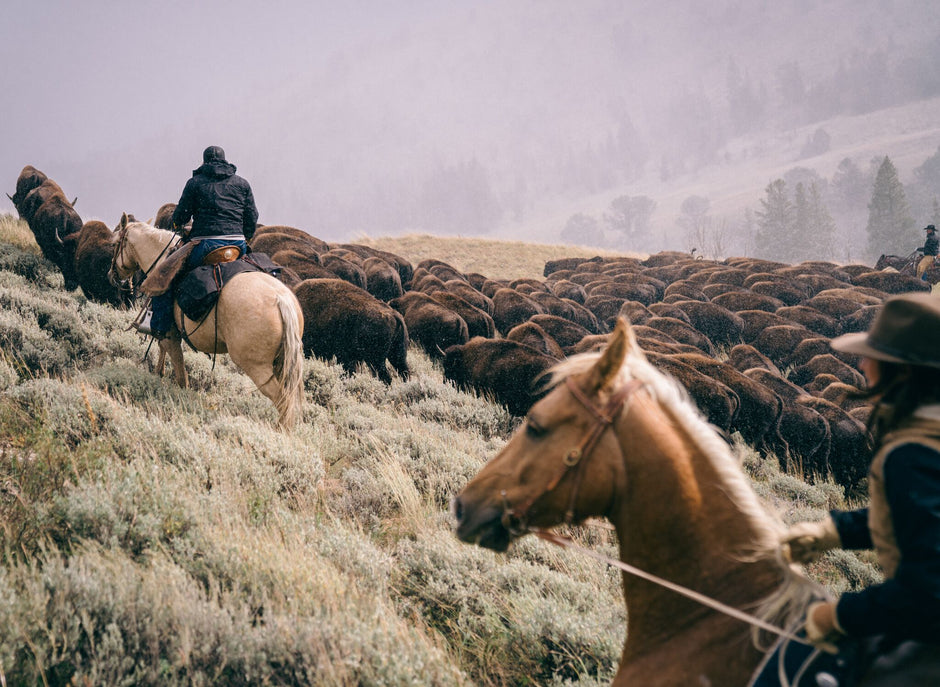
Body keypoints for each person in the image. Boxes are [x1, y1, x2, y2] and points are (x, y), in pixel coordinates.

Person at [781, 292, 940, 680]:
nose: (862, 364)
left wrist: (837, 615)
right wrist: (834, 532)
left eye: (875, 357)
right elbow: (920, 520)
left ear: (903, 373)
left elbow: (926, 590)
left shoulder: (911, 453)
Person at [144, 146, 259, 338]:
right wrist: (245, 237)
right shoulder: (242, 184)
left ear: (204, 162)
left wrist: (179, 224)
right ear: (225, 161)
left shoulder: (195, 183)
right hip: (237, 245)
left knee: (166, 276)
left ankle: (160, 327)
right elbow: (252, 216)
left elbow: (180, 216)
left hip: (205, 246)